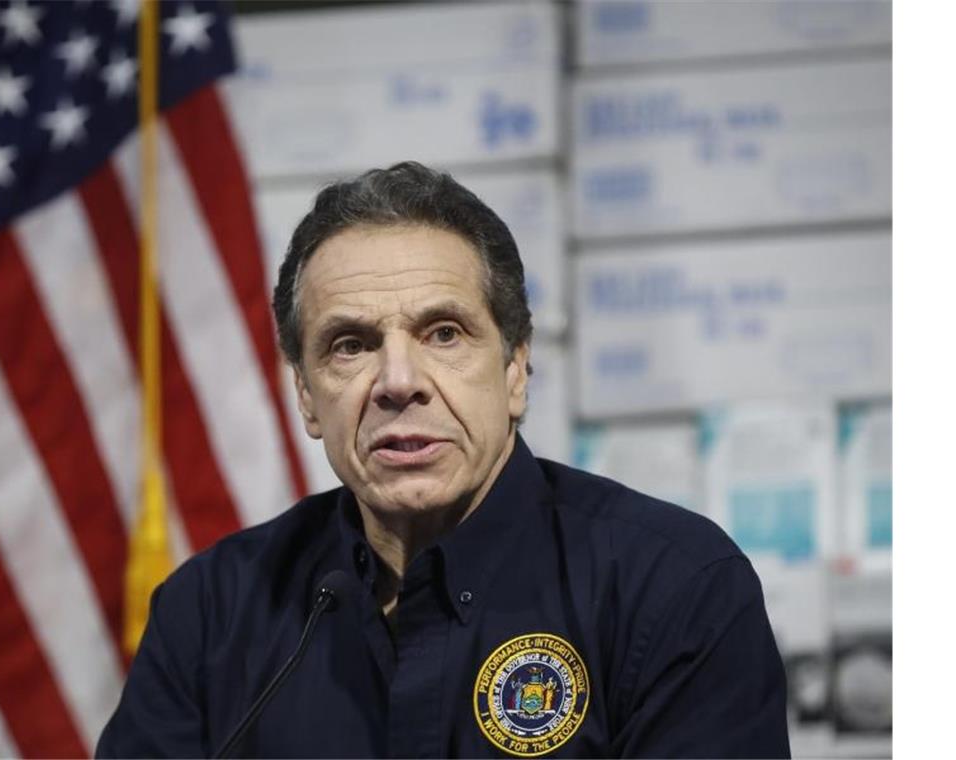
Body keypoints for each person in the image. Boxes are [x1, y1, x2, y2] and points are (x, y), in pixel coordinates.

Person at [96, 161, 791, 758]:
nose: (399, 381)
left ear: (515, 370)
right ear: (307, 397)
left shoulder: (672, 587)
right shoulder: (211, 612)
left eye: (444, 333)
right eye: (351, 345)